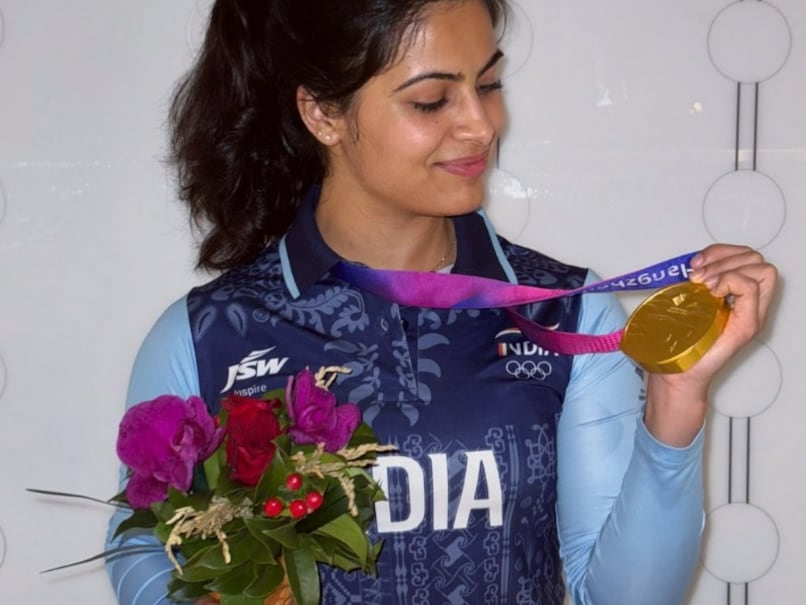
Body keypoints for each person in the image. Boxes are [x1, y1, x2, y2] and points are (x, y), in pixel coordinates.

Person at [106, 0, 777, 604]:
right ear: (321, 112)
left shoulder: (566, 318)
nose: (481, 125)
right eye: (432, 101)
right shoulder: (203, 337)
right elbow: (138, 544)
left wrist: (676, 401)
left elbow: (624, 599)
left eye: (488, 84)